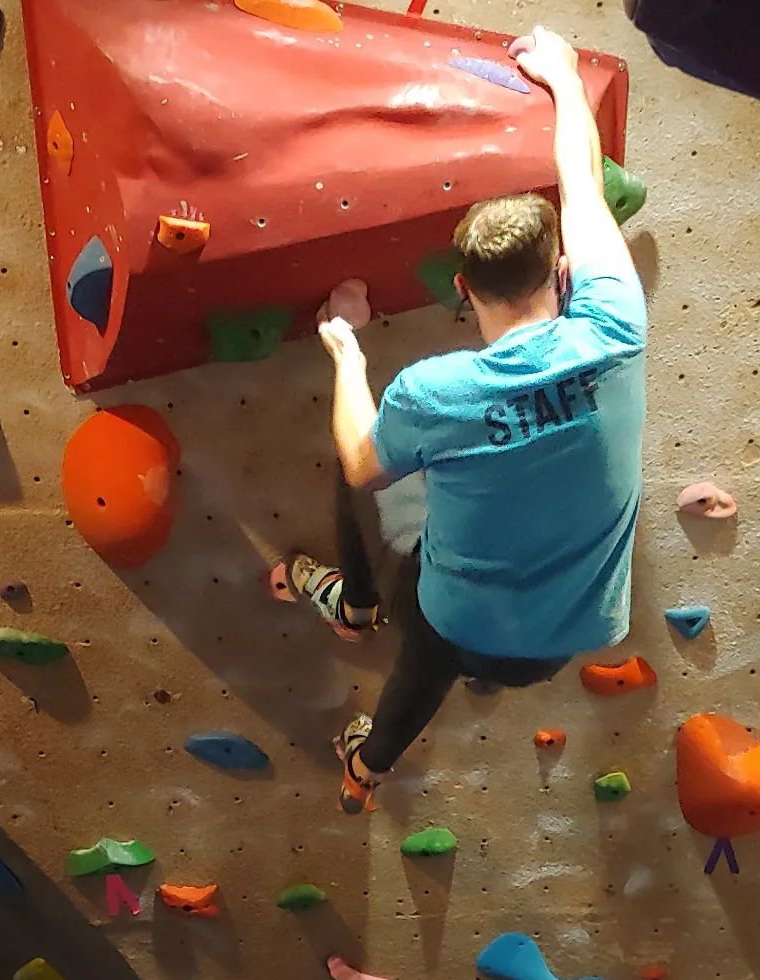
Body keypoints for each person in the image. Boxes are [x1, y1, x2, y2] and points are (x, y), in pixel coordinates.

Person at [278, 25, 648, 813]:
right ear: (560, 271)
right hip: (568, 634)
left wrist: (347, 354)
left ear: (462, 287)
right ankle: (368, 764)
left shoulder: (434, 391)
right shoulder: (617, 319)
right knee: (448, 645)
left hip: (458, 616)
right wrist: (561, 76)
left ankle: (355, 610)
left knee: (361, 456)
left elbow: (362, 462)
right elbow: (579, 177)